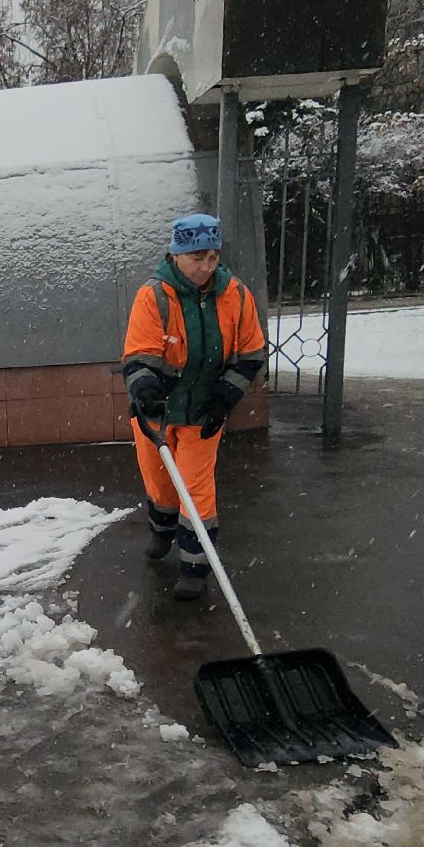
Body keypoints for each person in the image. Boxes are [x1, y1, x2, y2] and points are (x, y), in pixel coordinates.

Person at [121, 215, 267, 601]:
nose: (206, 267)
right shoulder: (154, 297)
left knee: (196, 488)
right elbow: (139, 355)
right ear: (177, 254)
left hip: (204, 411)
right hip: (157, 412)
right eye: (197, 257)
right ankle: (162, 530)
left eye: (213, 258)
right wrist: (146, 390)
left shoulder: (235, 294)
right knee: (160, 482)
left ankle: (195, 566)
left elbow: (251, 353)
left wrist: (225, 396)